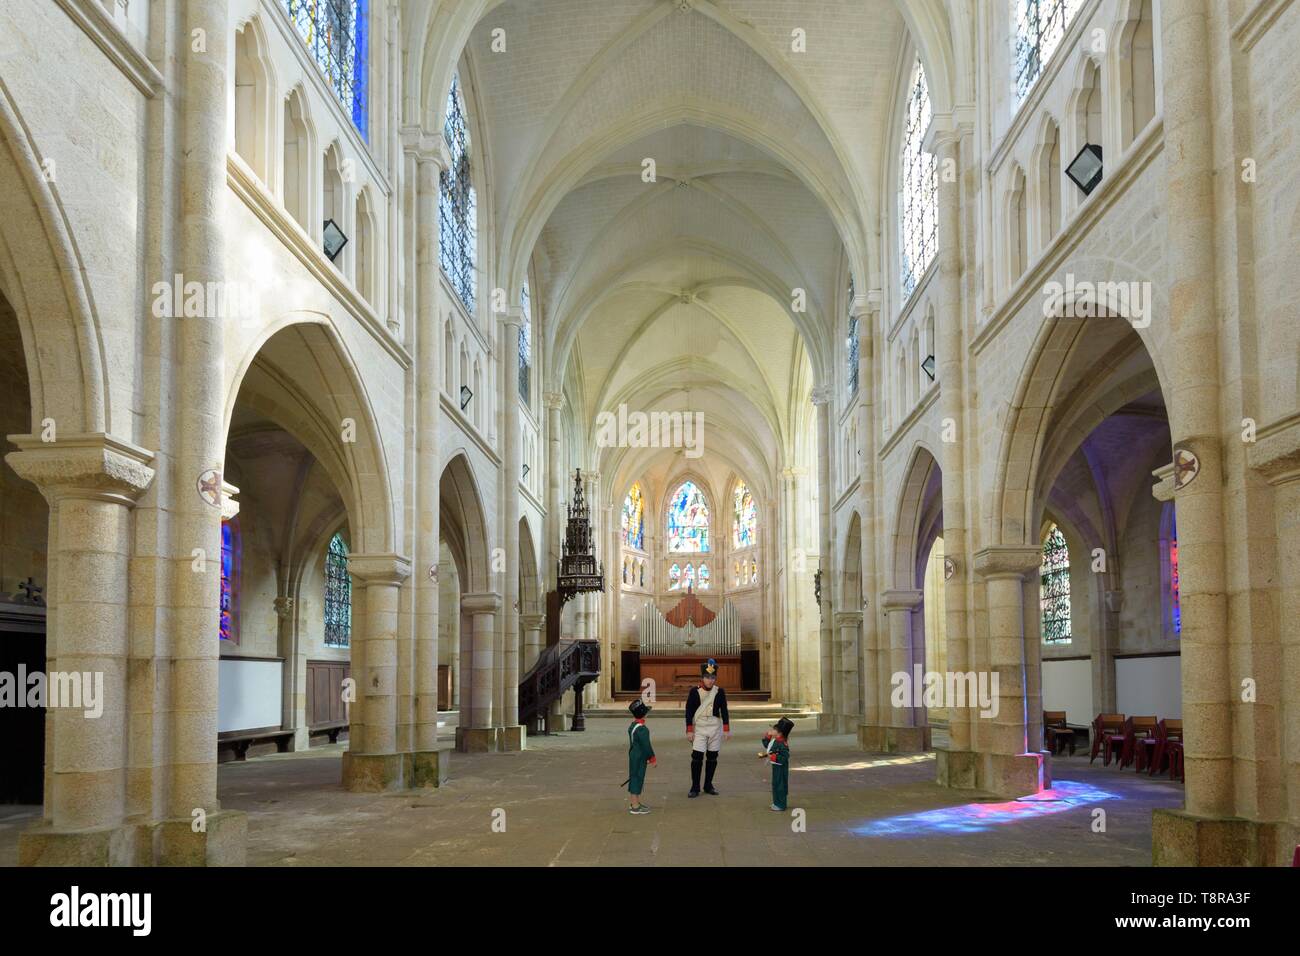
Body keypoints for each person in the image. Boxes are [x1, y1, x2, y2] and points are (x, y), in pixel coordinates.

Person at [685, 658, 730, 797]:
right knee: (697, 758)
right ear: (702, 678)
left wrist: (726, 729)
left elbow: (724, 710)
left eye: (713, 677)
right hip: (700, 728)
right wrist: (689, 729)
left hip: (715, 727)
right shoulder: (694, 692)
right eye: (707, 677)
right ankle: (695, 787)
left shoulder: (719, 692)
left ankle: (708, 785)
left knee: (712, 757)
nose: (710, 680)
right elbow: (689, 711)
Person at [626, 699, 656, 814]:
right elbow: (646, 746)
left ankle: (635, 802)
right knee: (637, 778)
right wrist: (652, 758)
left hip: (634, 755)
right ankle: (635, 806)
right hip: (639, 757)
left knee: (634, 777)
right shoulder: (642, 729)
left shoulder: (633, 725)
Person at [758, 717, 794, 811]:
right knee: (775, 784)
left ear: (780, 733)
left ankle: (781, 804)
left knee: (780, 785)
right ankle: (776, 802)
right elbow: (767, 746)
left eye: (774, 729)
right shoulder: (776, 740)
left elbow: (785, 757)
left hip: (781, 768)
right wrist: (768, 736)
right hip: (776, 766)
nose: (771, 730)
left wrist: (773, 756)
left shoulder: (782, 743)